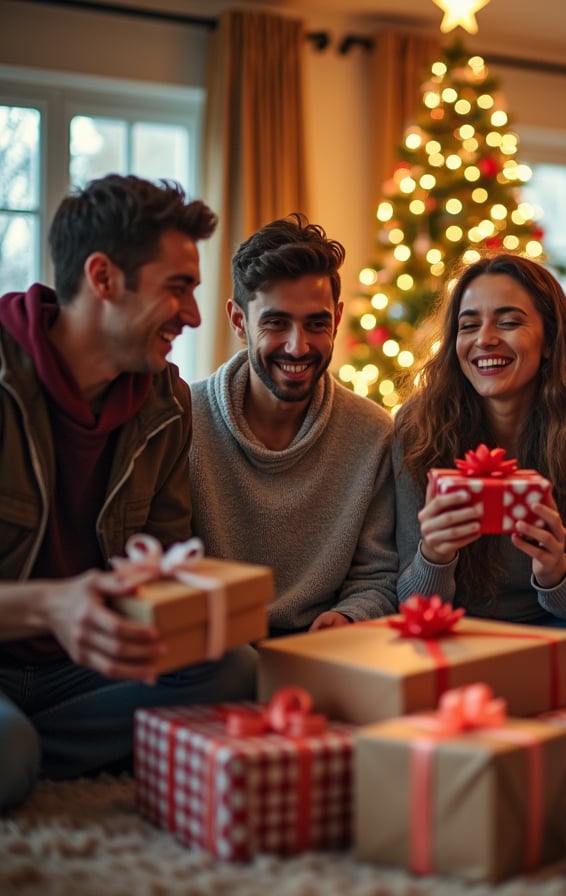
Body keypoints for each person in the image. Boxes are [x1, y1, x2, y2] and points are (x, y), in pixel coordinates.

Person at [0, 174, 258, 812]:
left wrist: (194, 604)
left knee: (238, 670)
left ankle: (31, 748)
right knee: (9, 751)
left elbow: (163, 554)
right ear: (104, 278)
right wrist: (49, 605)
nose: (196, 316)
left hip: (84, 668)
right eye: (178, 288)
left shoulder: (167, 403)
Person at [393, 253, 566, 685]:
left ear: (549, 339)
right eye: (469, 325)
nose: (484, 339)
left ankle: (491, 696)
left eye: (508, 322)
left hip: (561, 634)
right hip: (456, 633)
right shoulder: (417, 430)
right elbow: (412, 604)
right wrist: (434, 555)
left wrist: (556, 571)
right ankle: (511, 694)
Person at [190, 214, 397, 635]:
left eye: (316, 323)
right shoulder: (183, 422)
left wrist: (349, 616)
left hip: (322, 652)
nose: (297, 346)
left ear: (337, 319)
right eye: (276, 322)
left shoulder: (373, 433)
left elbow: (378, 577)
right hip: (211, 653)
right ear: (238, 321)